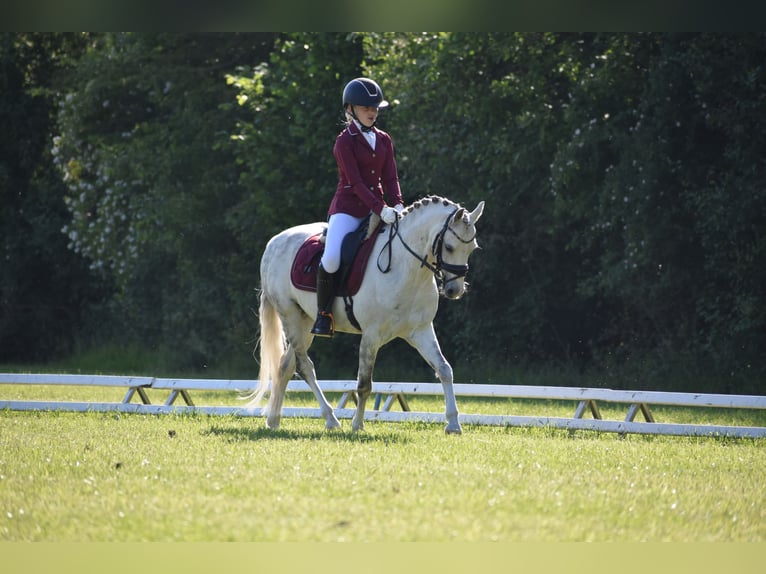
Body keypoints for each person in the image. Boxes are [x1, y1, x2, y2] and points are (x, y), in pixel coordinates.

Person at [310, 77, 404, 337]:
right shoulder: (344, 142)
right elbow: (357, 183)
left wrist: (397, 203)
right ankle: (323, 314)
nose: (372, 112)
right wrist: (380, 207)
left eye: (375, 108)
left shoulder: (384, 139)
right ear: (350, 109)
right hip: (348, 209)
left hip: (380, 208)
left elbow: (390, 177)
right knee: (330, 259)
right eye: (366, 108)